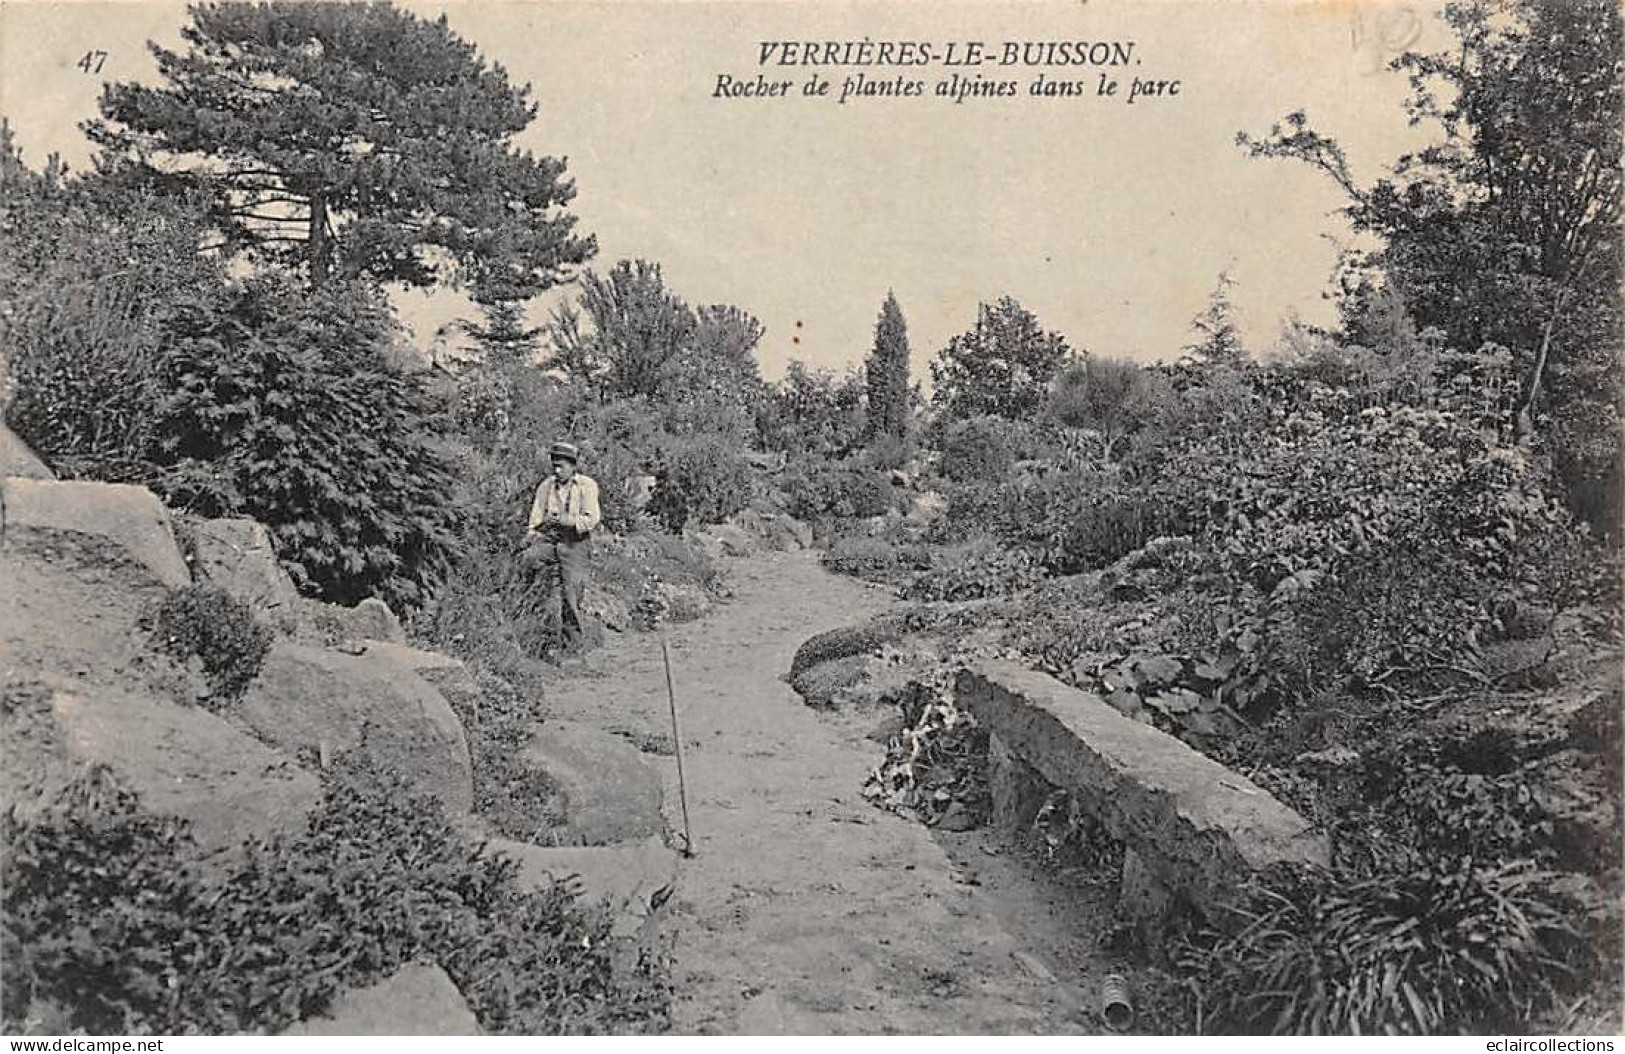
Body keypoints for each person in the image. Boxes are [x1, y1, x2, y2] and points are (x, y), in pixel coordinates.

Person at [525, 440, 601, 649]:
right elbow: (535, 518)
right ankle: (536, 626)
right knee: (528, 559)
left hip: (575, 542)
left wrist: (568, 521)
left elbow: (592, 519)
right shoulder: (546, 486)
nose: (557, 471)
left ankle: (573, 645)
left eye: (562, 466)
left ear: (573, 466)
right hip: (551, 540)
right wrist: (532, 536)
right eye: (554, 466)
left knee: (571, 593)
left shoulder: (586, 486)